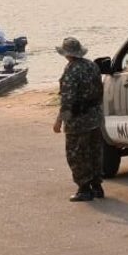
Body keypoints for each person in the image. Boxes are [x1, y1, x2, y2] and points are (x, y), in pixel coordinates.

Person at [54, 37, 104, 202]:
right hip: (94, 117)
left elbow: (67, 100)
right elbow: (99, 90)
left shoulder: (71, 70)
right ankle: (97, 186)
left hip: (78, 120)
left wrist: (60, 120)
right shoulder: (92, 66)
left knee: (76, 154)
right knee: (94, 152)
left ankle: (84, 188)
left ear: (67, 54)